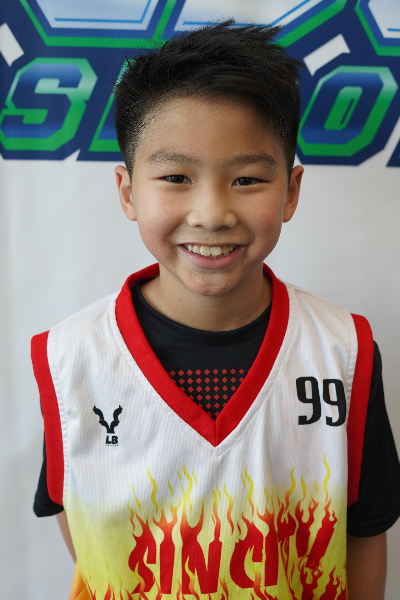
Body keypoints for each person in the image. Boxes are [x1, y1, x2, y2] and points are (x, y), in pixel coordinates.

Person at [32, 21, 400, 600]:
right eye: (176, 177)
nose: (211, 213)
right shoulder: (72, 355)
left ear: (291, 191)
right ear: (128, 191)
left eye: (247, 178)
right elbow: (75, 514)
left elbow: (365, 529)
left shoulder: (342, 352)